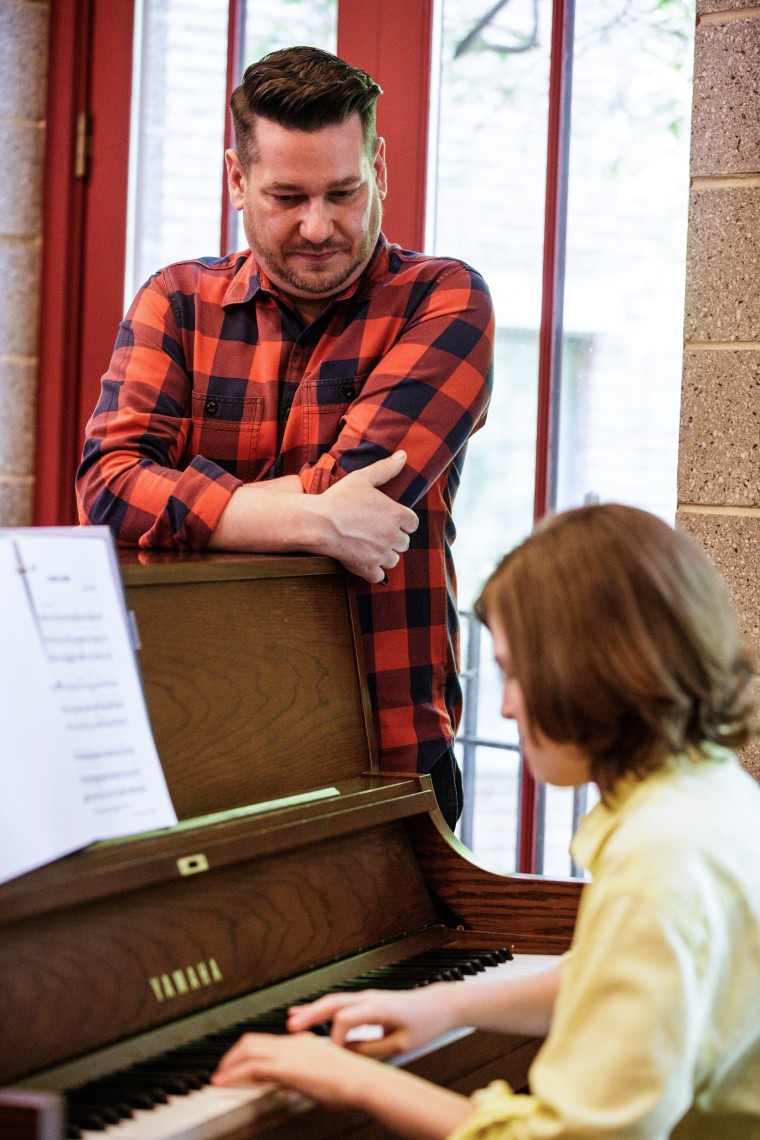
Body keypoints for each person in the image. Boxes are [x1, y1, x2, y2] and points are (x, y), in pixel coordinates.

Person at [210, 503, 760, 1139]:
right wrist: (442, 1003)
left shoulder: (659, 862)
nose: (504, 708)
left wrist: (351, 1081)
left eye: (513, 673)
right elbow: (616, 993)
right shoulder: (710, 791)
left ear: (586, 670)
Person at [75, 46, 494, 829]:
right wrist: (311, 518)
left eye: (344, 192)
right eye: (286, 196)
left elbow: (366, 489)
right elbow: (105, 489)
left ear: (380, 168)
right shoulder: (175, 301)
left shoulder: (444, 299)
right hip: (204, 746)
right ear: (236, 179)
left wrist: (189, 501)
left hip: (392, 754)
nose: (319, 226)